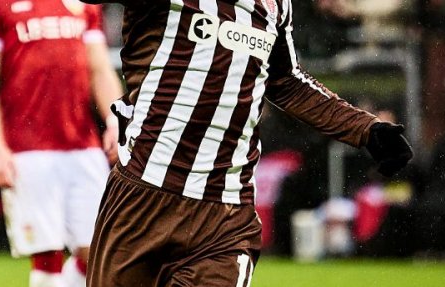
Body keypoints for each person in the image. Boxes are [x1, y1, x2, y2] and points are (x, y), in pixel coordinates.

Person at [78, 0, 413, 286]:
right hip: (142, 198)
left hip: (224, 216)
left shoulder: (275, 5)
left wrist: (366, 129)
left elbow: (286, 80)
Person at [0, 0, 123, 286]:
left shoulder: (85, 4)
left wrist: (114, 120)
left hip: (83, 145)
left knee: (102, 250)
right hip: (27, 148)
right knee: (46, 254)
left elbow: (100, 68)